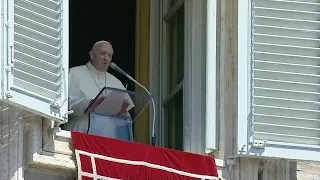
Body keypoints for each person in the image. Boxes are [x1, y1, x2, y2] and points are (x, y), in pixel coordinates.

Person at [63, 40, 134, 132]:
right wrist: (89, 104)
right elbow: (64, 105)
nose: (106, 58)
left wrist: (122, 113)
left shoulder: (116, 82)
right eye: (103, 53)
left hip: (108, 137)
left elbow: (127, 119)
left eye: (109, 55)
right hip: (81, 134)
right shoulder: (73, 73)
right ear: (92, 55)